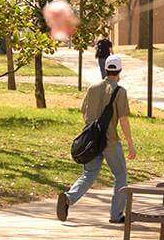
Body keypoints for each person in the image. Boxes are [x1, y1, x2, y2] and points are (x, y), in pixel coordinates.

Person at [57, 55, 136, 223]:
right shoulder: (120, 91)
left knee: (89, 174)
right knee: (121, 175)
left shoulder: (92, 88)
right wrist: (130, 143)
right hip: (110, 141)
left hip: (92, 140)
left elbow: (83, 111)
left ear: (106, 69)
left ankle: (68, 198)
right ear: (120, 70)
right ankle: (116, 215)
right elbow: (123, 120)